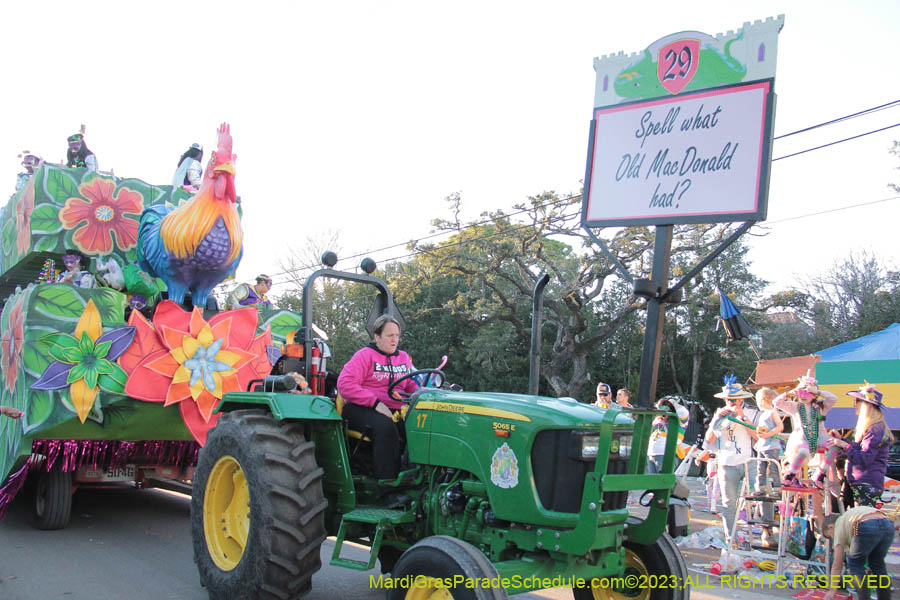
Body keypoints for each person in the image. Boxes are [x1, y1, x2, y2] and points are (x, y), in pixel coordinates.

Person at [337, 314, 417, 508]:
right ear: (377, 336)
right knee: (386, 428)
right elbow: (345, 384)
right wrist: (374, 403)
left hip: (395, 408)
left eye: (397, 335)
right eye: (389, 335)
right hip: (360, 408)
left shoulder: (403, 357)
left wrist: (424, 393)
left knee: (419, 426)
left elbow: (409, 385)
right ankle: (388, 491)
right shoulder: (365, 355)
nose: (394, 340)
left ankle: (413, 480)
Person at [704, 375, 759, 534]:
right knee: (729, 503)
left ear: (741, 399)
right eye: (729, 399)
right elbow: (709, 439)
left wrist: (743, 417)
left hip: (749, 461)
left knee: (760, 493)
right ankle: (730, 538)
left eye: (734, 399)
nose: (731, 402)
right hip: (727, 464)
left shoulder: (752, 412)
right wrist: (718, 421)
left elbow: (757, 436)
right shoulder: (719, 414)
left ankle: (765, 532)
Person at [829, 383, 893, 507]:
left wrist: (844, 445)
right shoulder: (874, 429)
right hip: (862, 482)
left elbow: (864, 458)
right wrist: (842, 441)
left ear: (866, 406)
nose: (854, 405)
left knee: (860, 520)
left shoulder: (875, 429)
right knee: (855, 519)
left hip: (866, 483)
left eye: (857, 401)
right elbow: (860, 449)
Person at [775, 373, 838, 488]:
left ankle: (820, 474)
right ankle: (790, 474)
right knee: (804, 451)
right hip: (802, 438)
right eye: (801, 393)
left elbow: (834, 398)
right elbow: (776, 403)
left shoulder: (821, 407)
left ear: (814, 395)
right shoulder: (795, 406)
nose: (803, 396)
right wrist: (789, 393)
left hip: (819, 436)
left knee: (834, 447)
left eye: (807, 393)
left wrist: (818, 392)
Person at [822, 507, 893, 600]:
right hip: (887, 523)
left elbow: (837, 564)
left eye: (830, 536)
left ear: (830, 526)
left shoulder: (839, 524)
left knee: (855, 565)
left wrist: (832, 590)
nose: (833, 540)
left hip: (864, 523)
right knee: (878, 565)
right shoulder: (848, 519)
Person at [752, 386, 784, 546]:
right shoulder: (763, 414)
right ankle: (761, 486)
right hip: (762, 445)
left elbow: (780, 427)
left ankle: (777, 486)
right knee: (760, 469)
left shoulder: (772, 412)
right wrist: (760, 433)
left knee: (773, 468)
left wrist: (769, 434)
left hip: (771, 445)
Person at [646, 396, 690, 474]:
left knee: (663, 482)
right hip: (651, 453)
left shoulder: (678, 421)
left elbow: (683, 412)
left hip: (665, 454)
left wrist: (673, 403)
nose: (662, 415)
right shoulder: (658, 420)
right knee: (652, 483)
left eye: (665, 411)